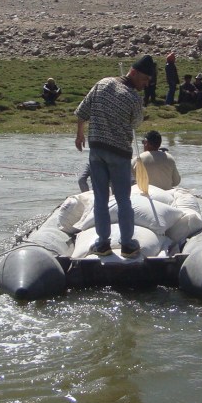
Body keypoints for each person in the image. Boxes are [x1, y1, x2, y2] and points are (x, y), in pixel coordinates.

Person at [74, 54, 154, 258]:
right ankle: (127, 244)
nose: (145, 85)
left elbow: (82, 112)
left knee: (101, 198)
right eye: (144, 80)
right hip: (119, 153)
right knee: (123, 199)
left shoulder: (102, 84)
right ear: (133, 72)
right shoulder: (134, 97)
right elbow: (136, 124)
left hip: (97, 150)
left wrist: (80, 134)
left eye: (147, 82)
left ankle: (102, 243)